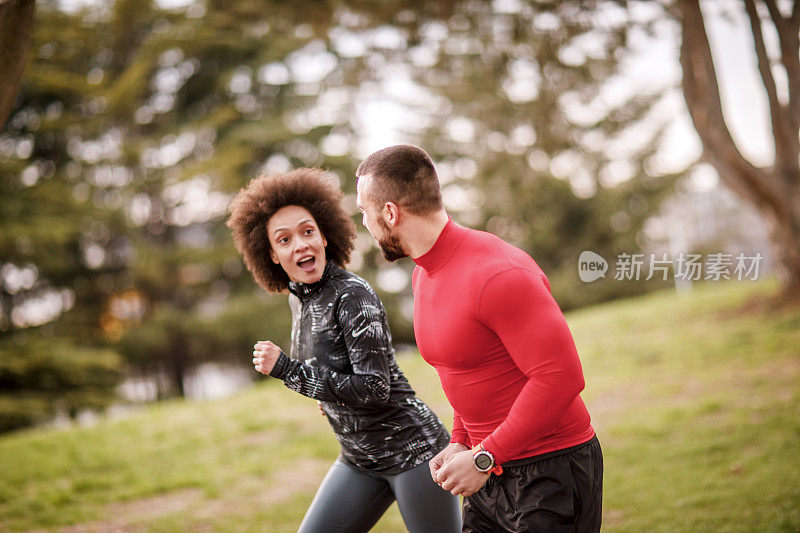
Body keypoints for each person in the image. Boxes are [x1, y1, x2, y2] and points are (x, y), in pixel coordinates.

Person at [355, 145, 603, 533]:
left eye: (363, 211)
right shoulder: (424, 275)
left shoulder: (497, 273)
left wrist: (485, 456)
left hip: (550, 470)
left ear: (389, 212)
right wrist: (460, 440)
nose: (364, 224)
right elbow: (469, 367)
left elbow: (562, 378)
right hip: (486, 466)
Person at [226, 167, 461, 533]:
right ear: (271, 255)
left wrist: (288, 370)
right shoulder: (299, 300)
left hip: (415, 453)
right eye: (284, 240)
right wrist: (330, 398)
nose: (301, 244)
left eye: (308, 231)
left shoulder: (353, 294)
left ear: (324, 236)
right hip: (359, 460)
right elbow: (337, 371)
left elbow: (374, 388)